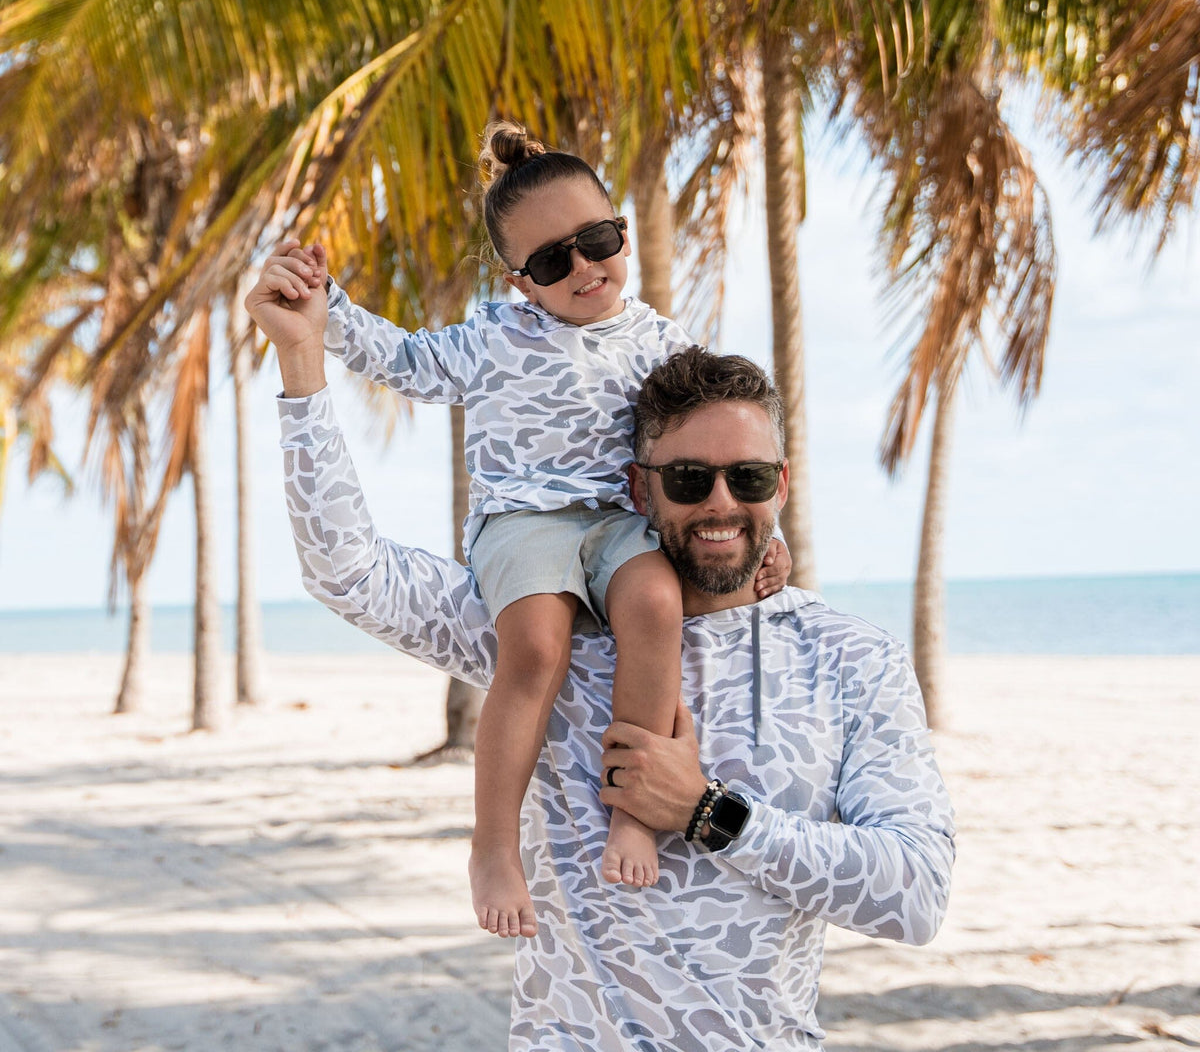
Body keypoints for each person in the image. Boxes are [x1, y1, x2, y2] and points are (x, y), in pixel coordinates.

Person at [247, 248, 956, 1048]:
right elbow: (348, 572)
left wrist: (709, 814)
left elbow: (916, 896)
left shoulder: (850, 658)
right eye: (690, 479)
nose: (722, 503)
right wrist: (304, 363)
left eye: (749, 479)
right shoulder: (553, 636)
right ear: (639, 488)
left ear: (781, 485)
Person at [253, 121, 791, 940]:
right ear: (521, 280)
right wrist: (328, 314)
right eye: (551, 260)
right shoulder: (496, 340)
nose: (582, 267)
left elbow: (721, 441)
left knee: (655, 609)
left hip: (620, 523)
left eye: (597, 240)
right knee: (535, 646)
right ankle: (494, 844)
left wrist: (766, 529)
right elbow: (405, 361)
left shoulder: (663, 344)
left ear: (623, 232)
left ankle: (634, 809)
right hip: (525, 523)